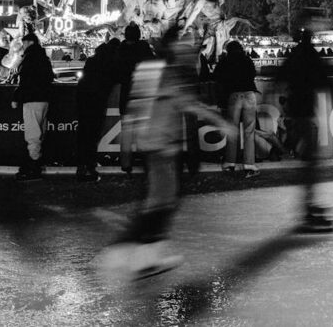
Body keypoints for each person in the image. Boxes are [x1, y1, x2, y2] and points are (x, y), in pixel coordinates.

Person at [95, 25, 234, 280]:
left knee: (164, 201)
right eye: (183, 43)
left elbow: (135, 104)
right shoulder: (170, 75)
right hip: (161, 146)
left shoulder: (150, 69)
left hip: (152, 144)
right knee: (159, 203)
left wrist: (135, 134)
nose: (188, 47)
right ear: (173, 46)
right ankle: (123, 249)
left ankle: (149, 256)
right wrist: (220, 122)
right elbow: (189, 105)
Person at [279, 29, 333, 233]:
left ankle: (308, 205)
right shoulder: (310, 55)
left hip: (296, 112)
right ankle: (307, 209)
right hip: (304, 114)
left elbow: (279, 77)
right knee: (311, 163)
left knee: (309, 161)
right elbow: (326, 80)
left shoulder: (294, 55)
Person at [75, 37, 120, 181]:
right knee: (93, 134)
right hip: (97, 101)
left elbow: (84, 80)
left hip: (84, 101)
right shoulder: (111, 62)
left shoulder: (92, 60)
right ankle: (89, 166)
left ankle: (81, 167)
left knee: (83, 134)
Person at [114, 22, 155, 176]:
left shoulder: (120, 50)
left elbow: (116, 72)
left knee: (126, 133)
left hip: (127, 95)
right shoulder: (143, 48)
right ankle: (145, 162)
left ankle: (125, 163)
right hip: (142, 94)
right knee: (143, 131)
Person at [12, 32, 55, 180]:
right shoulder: (44, 57)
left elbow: (25, 80)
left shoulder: (29, 58)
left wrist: (16, 97)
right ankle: (35, 163)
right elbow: (50, 77)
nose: (22, 47)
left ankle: (33, 166)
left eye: (24, 43)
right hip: (44, 99)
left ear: (29, 43)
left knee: (32, 134)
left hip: (32, 99)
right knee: (39, 132)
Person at [214, 40, 260, 177]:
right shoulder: (247, 59)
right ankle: (249, 165)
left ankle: (230, 163)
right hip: (249, 94)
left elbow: (217, 76)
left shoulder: (225, 60)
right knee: (249, 131)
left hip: (234, 95)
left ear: (228, 49)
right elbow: (253, 74)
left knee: (232, 129)